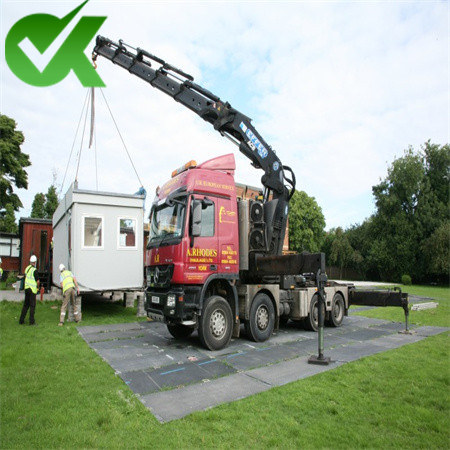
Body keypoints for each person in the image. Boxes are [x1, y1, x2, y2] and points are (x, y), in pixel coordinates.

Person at [19, 255, 40, 325]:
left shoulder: (27, 268)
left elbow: (25, 277)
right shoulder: (35, 270)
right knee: (32, 306)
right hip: (32, 290)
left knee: (26, 305)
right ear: (35, 262)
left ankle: (21, 320)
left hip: (27, 288)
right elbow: (37, 281)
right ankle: (32, 322)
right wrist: (38, 287)